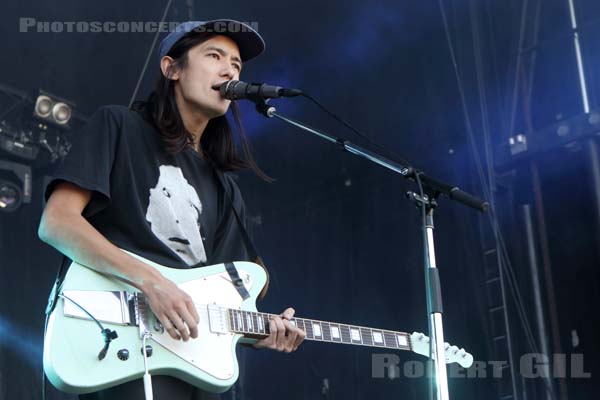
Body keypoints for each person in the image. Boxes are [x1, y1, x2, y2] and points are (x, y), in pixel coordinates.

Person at [38, 19, 305, 400]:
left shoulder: (225, 187)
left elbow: (225, 298)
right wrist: (152, 281)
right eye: (214, 55)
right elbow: (57, 222)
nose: (229, 69)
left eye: (237, 65)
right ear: (172, 68)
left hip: (196, 359)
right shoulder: (119, 126)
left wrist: (262, 333)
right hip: (126, 341)